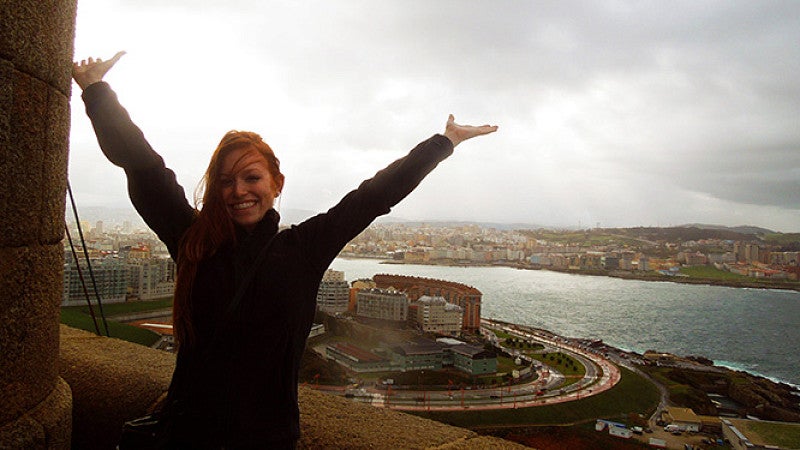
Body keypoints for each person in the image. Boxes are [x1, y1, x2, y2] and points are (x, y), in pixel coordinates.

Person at [73, 51, 497, 449]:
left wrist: (445, 142)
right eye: (225, 181)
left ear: (277, 183)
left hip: (267, 439)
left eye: (251, 178)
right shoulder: (193, 238)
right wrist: (96, 91)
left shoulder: (304, 248)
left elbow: (372, 196)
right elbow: (144, 166)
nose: (238, 191)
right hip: (185, 434)